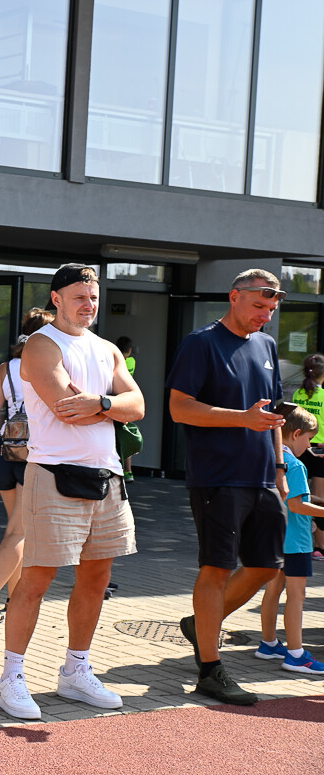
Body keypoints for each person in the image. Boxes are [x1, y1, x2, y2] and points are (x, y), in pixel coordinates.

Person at [0, 264, 143, 721]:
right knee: (36, 579)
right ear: (56, 298)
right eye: (80, 296)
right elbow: (64, 411)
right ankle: (11, 677)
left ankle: (76, 670)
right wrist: (109, 407)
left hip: (107, 476)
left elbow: (135, 406)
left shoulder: (106, 349)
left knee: (96, 579)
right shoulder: (41, 345)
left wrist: (99, 403)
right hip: (54, 475)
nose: (89, 304)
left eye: (94, 297)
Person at [167, 268, 289, 706]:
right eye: (259, 305)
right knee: (216, 567)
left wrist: (279, 466)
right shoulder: (202, 343)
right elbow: (179, 409)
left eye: (272, 309)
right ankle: (210, 669)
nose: (266, 316)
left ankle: (200, 623)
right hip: (217, 475)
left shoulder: (267, 345)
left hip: (262, 475)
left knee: (266, 567)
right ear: (234, 297)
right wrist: (241, 418)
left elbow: (271, 414)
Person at [0, 308, 54, 623]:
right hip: (35, 455)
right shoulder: (49, 366)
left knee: (17, 530)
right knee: (19, 532)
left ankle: (13, 598)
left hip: (8, 453)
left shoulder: (6, 369)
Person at [256, 406, 324, 674]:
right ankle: (296, 654)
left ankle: (269, 644)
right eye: (308, 439)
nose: (309, 445)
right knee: (297, 595)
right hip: (296, 542)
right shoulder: (295, 465)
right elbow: (298, 505)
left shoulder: (272, 458)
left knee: (272, 591)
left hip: (275, 538)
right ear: (296, 433)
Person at [290, 353, 324, 558]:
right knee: (320, 500)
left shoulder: (297, 394)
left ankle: (303, 541)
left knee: (301, 496)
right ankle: (320, 547)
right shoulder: (323, 396)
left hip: (301, 448)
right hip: (321, 451)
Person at [115, 336, 136, 481]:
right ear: (129, 350)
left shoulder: (115, 360)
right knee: (126, 436)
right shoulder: (131, 361)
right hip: (127, 403)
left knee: (115, 437)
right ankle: (128, 471)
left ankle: (117, 468)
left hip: (115, 400)